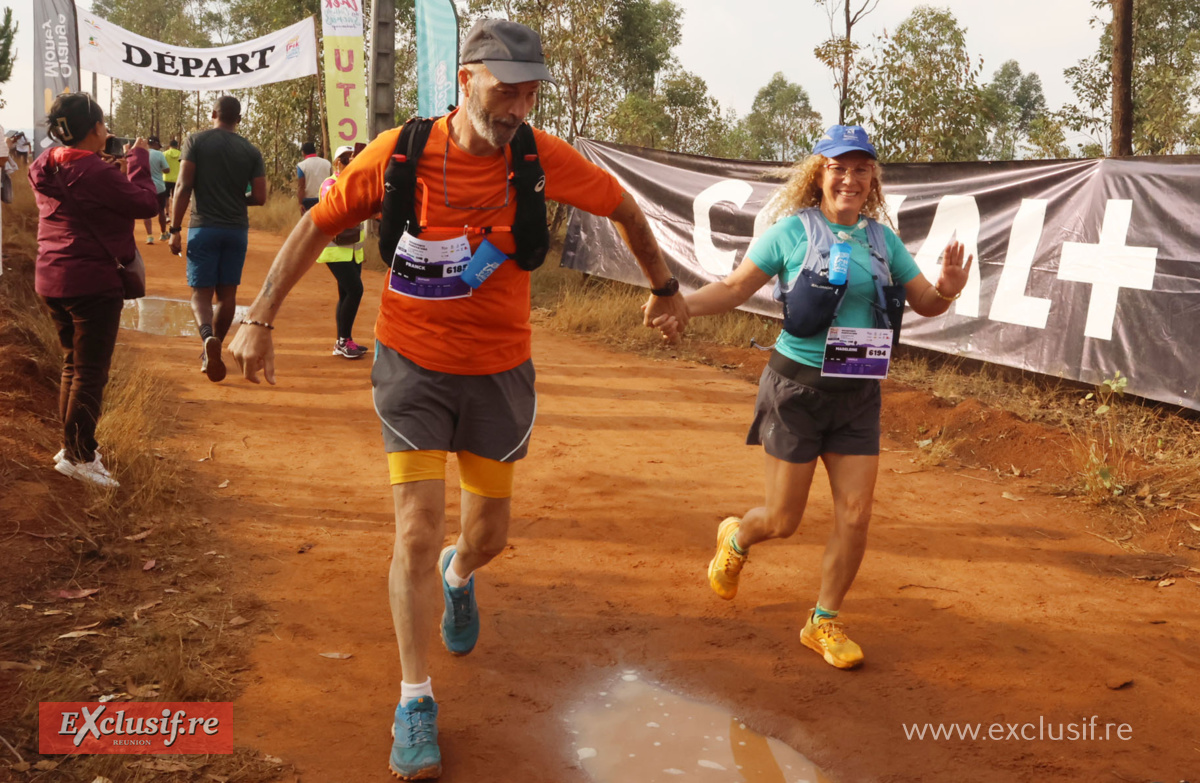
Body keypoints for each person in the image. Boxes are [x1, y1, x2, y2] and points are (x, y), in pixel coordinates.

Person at [229, 18, 688, 780]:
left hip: (500, 370)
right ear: (465, 80)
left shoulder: (542, 159)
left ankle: (460, 575)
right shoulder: (401, 153)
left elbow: (626, 211)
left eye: (530, 90)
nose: (518, 104)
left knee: (487, 535)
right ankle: (415, 698)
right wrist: (259, 315)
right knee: (414, 528)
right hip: (411, 363)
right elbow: (317, 222)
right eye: (506, 87)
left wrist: (665, 290)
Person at [659, 125, 971, 671]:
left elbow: (924, 303)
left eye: (860, 168)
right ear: (819, 174)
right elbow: (734, 289)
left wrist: (946, 287)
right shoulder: (791, 232)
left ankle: (823, 620)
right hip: (797, 390)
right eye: (838, 167)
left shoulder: (882, 241)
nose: (850, 178)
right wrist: (682, 304)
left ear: (873, 178)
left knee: (856, 514)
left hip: (857, 394)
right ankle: (736, 537)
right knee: (783, 520)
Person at [29, 93, 159, 488]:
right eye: (103, 123)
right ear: (96, 128)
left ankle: (72, 446)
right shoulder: (96, 173)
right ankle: (81, 456)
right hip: (91, 283)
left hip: (52, 277)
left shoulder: (44, 164)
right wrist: (138, 161)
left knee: (73, 365)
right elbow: (147, 203)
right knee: (89, 373)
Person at [168, 96, 267, 383]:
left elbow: (184, 185)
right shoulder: (251, 150)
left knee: (200, 293)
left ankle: (207, 337)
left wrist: (175, 229)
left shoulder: (196, 141)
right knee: (227, 295)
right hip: (236, 229)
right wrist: (236, 199)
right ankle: (212, 350)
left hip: (204, 227)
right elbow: (260, 197)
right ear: (239, 119)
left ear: (214, 114)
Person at [316, 144, 368, 359]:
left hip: (353, 250)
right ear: (338, 162)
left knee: (346, 293)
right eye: (346, 159)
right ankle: (343, 341)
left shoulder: (356, 183)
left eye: (353, 158)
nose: (349, 162)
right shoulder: (331, 184)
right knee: (356, 291)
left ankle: (342, 341)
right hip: (335, 250)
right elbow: (341, 210)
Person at [143, 136, 172, 244]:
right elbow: (167, 170)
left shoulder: (142, 153)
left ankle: (149, 236)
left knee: (146, 213)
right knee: (161, 211)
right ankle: (163, 234)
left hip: (145, 186)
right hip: (159, 187)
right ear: (155, 144)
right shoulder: (159, 154)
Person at [296, 141, 331, 214]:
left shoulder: (301, 166)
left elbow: (301, 186)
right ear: (315, 151)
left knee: (311, 224)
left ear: (303, 152)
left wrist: (300, 204)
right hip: (325, 199)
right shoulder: (327, 164)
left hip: (308, 202)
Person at [162, 137, 181, 211]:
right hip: (177, 180)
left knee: (166, 197)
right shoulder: (181, 154)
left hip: (166, 178)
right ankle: (174, 214)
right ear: (177, 146)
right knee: (175, 198)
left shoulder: (164, 154)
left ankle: (167, 214)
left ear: (169, 146)